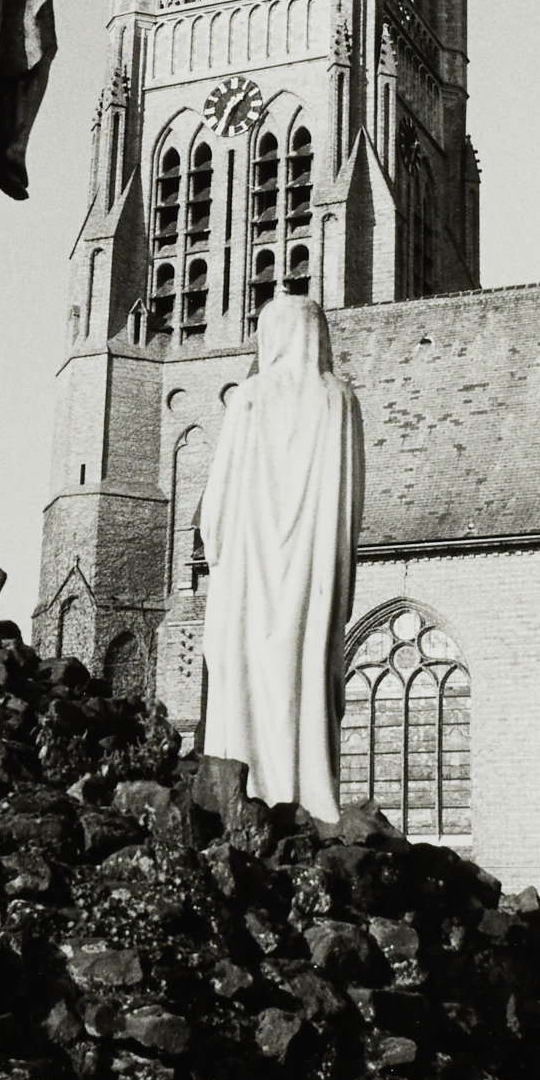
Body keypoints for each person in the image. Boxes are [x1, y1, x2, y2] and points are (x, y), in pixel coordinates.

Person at [199, 294, 364, 819]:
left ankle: (247, 791)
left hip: (249, 571)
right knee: (303, 674)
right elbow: (351, 504)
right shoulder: (340, 399)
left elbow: (216, 505)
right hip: (312, 575)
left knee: (244, 672)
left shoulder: (249, 396)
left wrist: (218, 551)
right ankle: (307, 790)